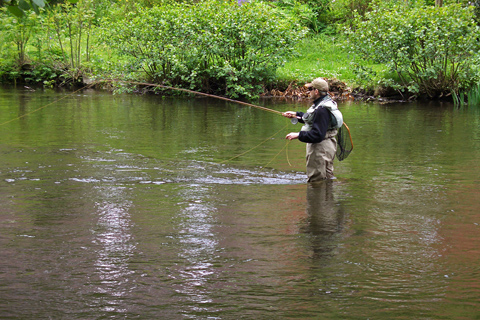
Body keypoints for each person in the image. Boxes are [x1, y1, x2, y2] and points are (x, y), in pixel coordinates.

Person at [282, 78, 338, 182]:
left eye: (310, 89)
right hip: (328, 146)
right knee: (327, 179)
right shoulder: (326, 102)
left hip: (320, 149)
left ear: (316, 91)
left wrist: (298, 135)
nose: (309, 92)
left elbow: (317, 134)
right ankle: (327, 198)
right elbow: (315, 120)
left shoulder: (322, 109)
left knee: (316, 180)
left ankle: (316, 198)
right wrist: (296, 115)